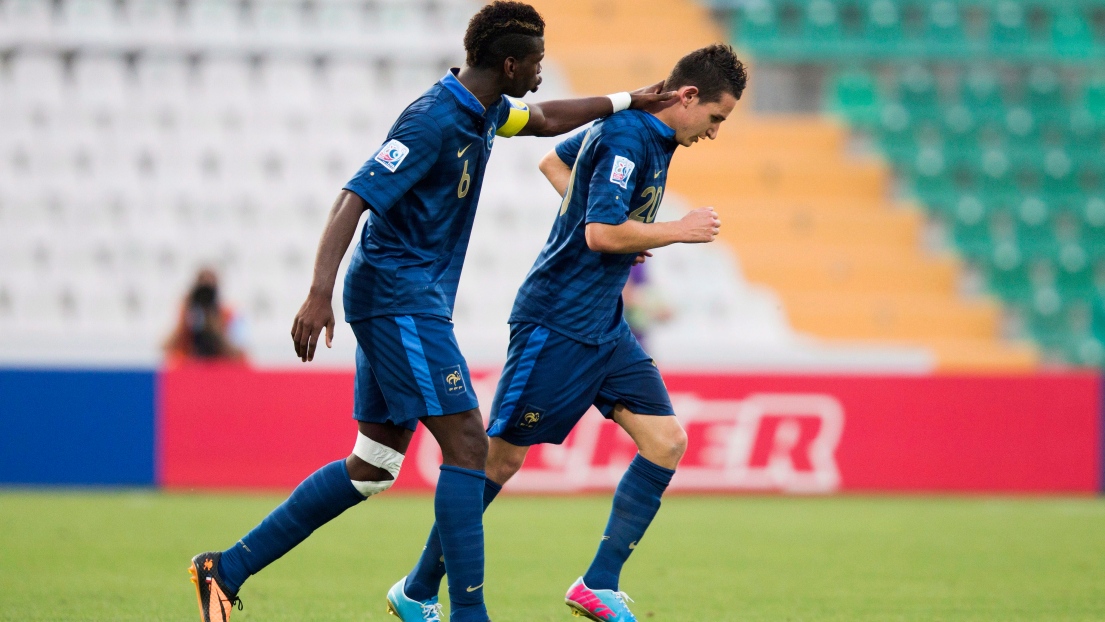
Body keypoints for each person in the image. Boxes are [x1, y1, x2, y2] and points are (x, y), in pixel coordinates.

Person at [187, 3, 673, 621]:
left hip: (412, 298)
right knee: (469, 443)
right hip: (397, 297)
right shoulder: (433, 120)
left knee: (374, 464)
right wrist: (318, 292)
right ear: (509, 62)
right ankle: (468, 612)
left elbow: (548, 120)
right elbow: (352, 198)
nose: (542, 73)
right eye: (537, 62)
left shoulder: (489, 109)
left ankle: (224, 569)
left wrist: (628, 99)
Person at [391, 44, 747, 622]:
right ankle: (418, 588)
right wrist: (671, 230)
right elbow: (601, 235)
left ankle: (597, 584)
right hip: (555, 322)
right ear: (687, 97)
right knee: (497, 463)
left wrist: (617, 226)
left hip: (603, 325)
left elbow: (554, 164)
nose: (714, 132)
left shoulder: (649, 137)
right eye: (715, 118)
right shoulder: (628, 139)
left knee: (667, 442)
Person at [164, 267, 245, 362]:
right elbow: (167, 347)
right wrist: (185, 321)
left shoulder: (229, 314)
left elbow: (239, 353)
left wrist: (214, 326)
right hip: (190, 367)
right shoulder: (188, 313)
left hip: (219, 367)